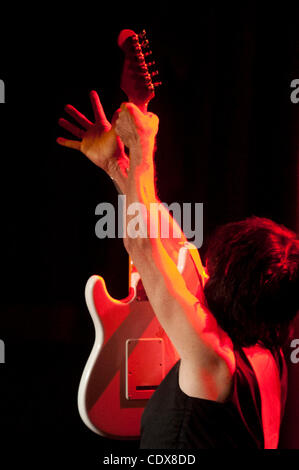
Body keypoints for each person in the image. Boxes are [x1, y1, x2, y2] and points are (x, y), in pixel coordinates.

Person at [57, 91, 299, 449]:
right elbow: (166, 244)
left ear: (230, 284)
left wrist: (142, 149)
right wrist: (117, 167)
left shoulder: (214, 359)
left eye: (214, 268)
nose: (205, 270)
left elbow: (143, 246)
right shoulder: (266, 349)